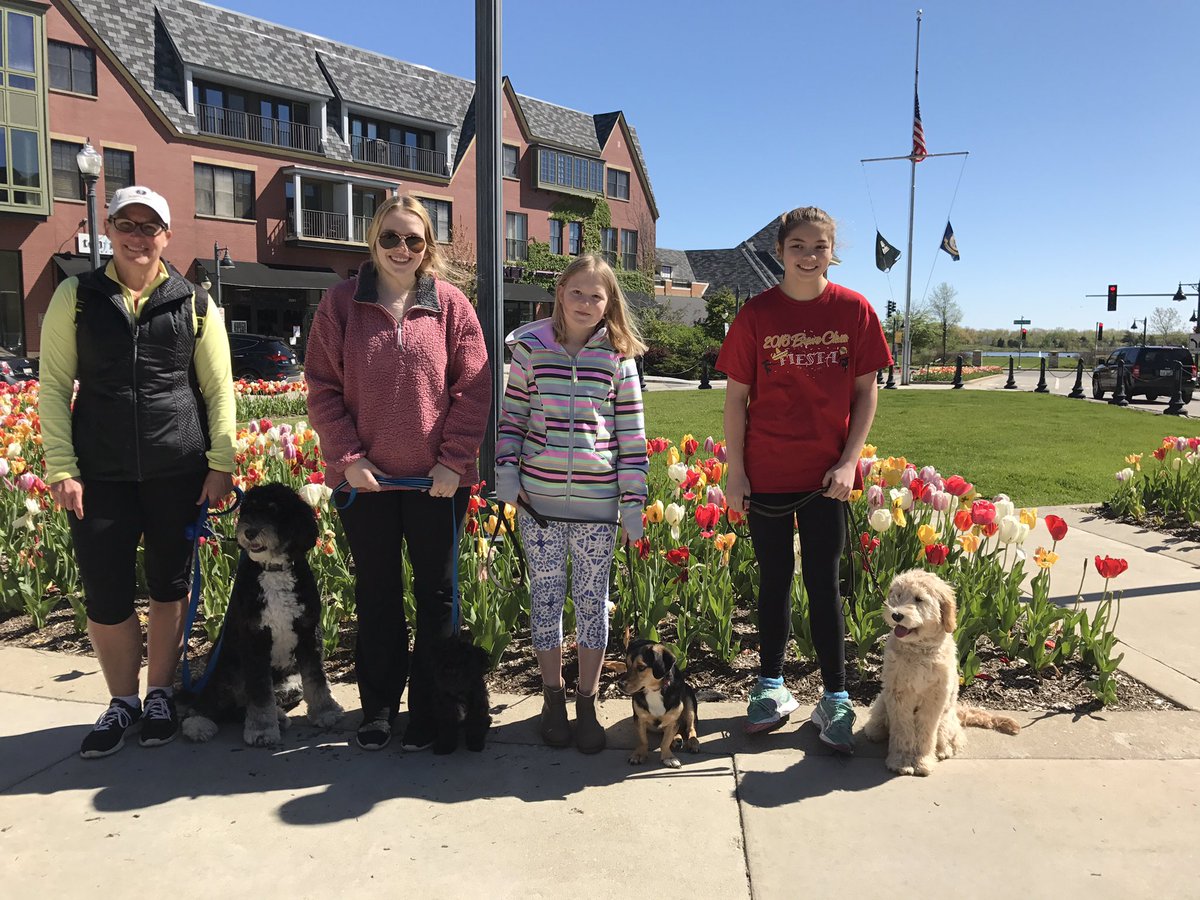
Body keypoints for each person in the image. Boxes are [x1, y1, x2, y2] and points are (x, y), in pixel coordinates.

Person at [40, 186, 237, 758]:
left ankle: (160, 694)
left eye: (150, 227)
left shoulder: (194, 302)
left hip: (176, 465)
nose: (137, 236)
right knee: (106, 591)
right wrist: (61, 467)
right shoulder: (76, 296)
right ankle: (121, 700)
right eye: (127, 223)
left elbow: (218, 389)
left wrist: (220, 463)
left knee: (171, 584)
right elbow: (53, 387)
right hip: (97, 470)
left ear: (166, 237)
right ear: (110, 229)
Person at [305, 195, 491, 752]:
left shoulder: (451, 305)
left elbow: (475, 387)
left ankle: (433, 712)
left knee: (437, 598)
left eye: (414, 239)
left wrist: (453, 461)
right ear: (373, 241)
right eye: (391, 238)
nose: (402, 249)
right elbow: (321, 387)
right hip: (368, 483)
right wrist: (347, 458)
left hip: (438, 483)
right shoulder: (340, 305)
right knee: (378, 593)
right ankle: (380, 708)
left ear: (428, 245)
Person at [717, 206, 892, 752]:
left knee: (824, 583)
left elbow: (867, 394)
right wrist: (736, 473)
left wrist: (849, 462)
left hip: (827, 478)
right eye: (798, 244)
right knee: (773, 581)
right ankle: (771, 685)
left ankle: (835, 697)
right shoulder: (757, 315)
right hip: (767, 472)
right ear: (780, 250)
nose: (809, 254)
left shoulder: (855, 311)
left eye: (820, 245)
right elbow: (737, 400)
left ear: (832, 251)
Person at [496, 254, 648, 753]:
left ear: (609, 303)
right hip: (538, 502)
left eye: (596, 296)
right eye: (577, 292)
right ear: (560, 293)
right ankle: (552, 698)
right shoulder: (530, 349)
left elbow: (631, 435)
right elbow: (513, 416)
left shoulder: (619, 357)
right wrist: (507, 474)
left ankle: (587, 700)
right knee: (544, 599)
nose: (586, 303)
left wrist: (632, 502)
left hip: (597, 503)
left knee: (591, 604)